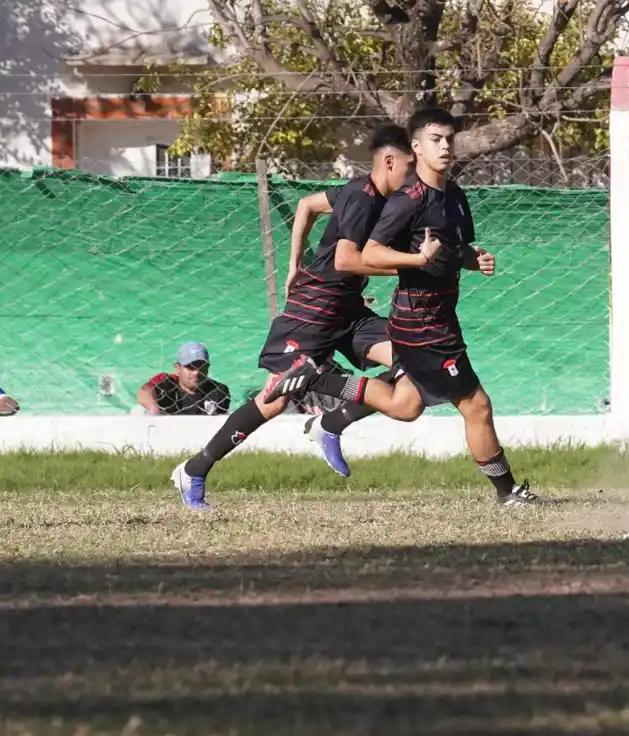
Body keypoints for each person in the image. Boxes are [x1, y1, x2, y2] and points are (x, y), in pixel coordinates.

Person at [265, 107, 540, 507]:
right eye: (435, 139)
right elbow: (369, 253)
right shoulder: (407, 201)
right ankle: (508, 493)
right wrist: (416, 261)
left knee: (406, 405)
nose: (445, 146)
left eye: (449, 138)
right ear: (416, 147)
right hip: (421, 324)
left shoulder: (456, 198)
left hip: (442, 317)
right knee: (476, 405)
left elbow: (453, 250)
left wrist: (472, 259)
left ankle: (317, 384)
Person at [170, 126, 416, 510]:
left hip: (348, 311)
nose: (414, 175)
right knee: (274, 398)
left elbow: (306, 205)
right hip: (313, 310)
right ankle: (194, 470)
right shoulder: (361, 199)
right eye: (410, 165)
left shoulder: (371, 195)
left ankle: (331, 422)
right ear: (390, 161)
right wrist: (414, 267)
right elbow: (345, 260)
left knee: (415, 362)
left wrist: (294, 264)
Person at [139, 342, 232, 416]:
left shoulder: (218, 391)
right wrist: (153, 407)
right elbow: (144, 392)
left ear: (207, 368)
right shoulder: (167, 382)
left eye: (201, 367)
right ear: (177, 368)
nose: (196, 373)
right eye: (190, 367)